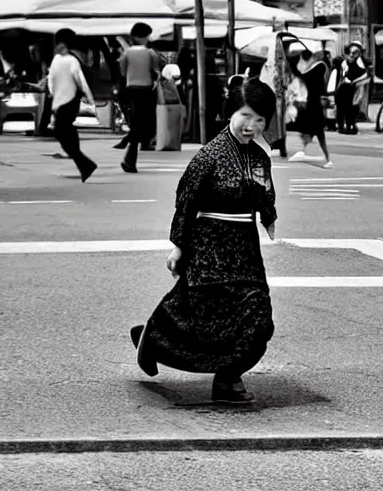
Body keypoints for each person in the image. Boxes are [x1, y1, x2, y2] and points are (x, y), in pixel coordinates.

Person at [130, 77, 277, 404]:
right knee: (205, 322)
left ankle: (227, 377)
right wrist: (179, 245)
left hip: (245, 250)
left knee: (258, 320)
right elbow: (187, 200)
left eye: (259, 119)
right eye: (245, 116)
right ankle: (154, 339)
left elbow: (265, 192)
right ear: (230, 114)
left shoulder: (259, 158)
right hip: (209, 249)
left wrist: (269, 215)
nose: (251, 125)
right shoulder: (209, 156)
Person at [48, 28, 97, 183]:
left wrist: (90, 98)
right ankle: (84, 164)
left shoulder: (71, 60)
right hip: (61, 102)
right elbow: (51, 79)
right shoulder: (58, 59)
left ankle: (85, 164)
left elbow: (80, 81)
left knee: (62, 130)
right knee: (63, 131)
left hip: (69, 101)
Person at [119, 22, 161, 173]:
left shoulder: (126, 53)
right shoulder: (151, 53)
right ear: (144, 37)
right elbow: (156, 72)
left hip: (130, 90)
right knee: (144, 123)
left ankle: (129, 151)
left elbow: (123, 73)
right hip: (147, 91)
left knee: (136, 122)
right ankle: (130, 155)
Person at [288, 49, 333, 169]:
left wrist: (294, 68)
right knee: (310, 131)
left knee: (317, 132)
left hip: (314, 103)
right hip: (312, 103)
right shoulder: (316, 66)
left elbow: (307, 78)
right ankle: (306, 151)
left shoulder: (320, 66)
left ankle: (325, 157)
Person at [335, 41, 369, 135]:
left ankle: (349, 126)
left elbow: (364, 75)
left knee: (349, 108)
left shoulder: (359, 61)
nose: (352, 54)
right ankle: (345, 126)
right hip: (346, 87)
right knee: (345, 108)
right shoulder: (345, 62)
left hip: (351, 88)